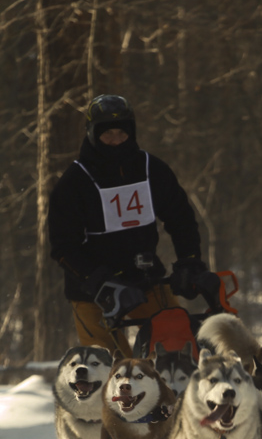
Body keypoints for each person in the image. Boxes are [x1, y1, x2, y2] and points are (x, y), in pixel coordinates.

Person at [48, 94, 220, 356]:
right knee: (108, 367)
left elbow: (181, 219)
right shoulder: (74, 182)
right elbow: (62, 247)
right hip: (93, 292)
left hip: (146, 281)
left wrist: (189, 261)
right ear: (93, 134)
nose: (116, 141)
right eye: (107, 134)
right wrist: (100, 282)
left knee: (178, 348)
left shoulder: (152, 169)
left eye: (122, 133)